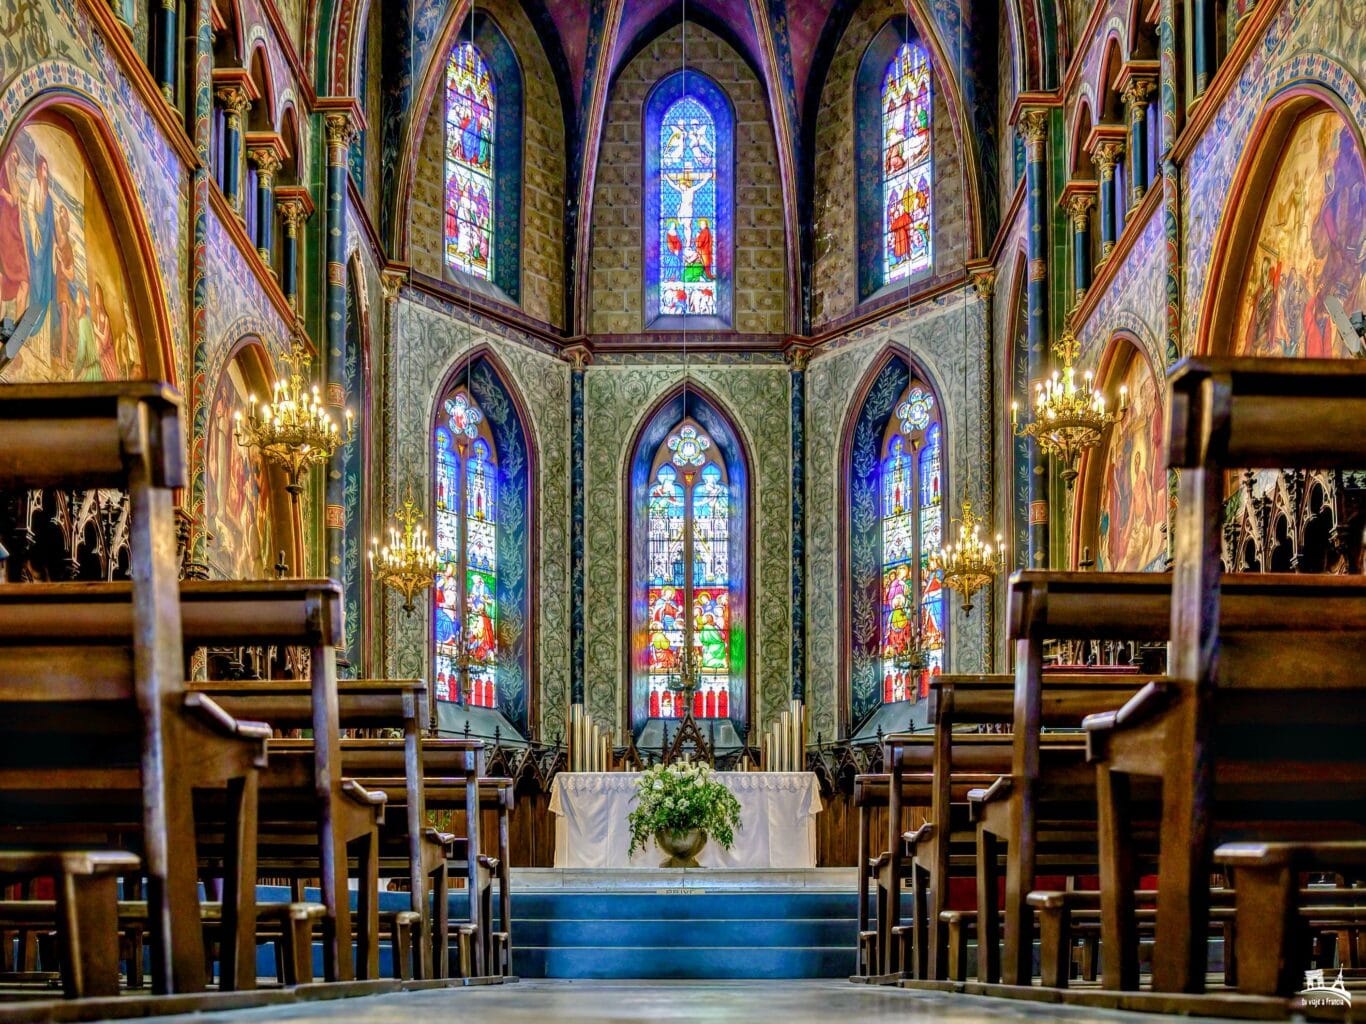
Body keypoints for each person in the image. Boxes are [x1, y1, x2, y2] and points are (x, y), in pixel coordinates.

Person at [0, 148, 30, 324]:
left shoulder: (15, 184)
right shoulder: (3, 174)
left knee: (25, 284)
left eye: (17, 160)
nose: (15, 162)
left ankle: (13, 339)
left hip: (15, 244)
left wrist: (25, 250)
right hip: (3, 240)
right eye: (13, 157)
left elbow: (19, 218)